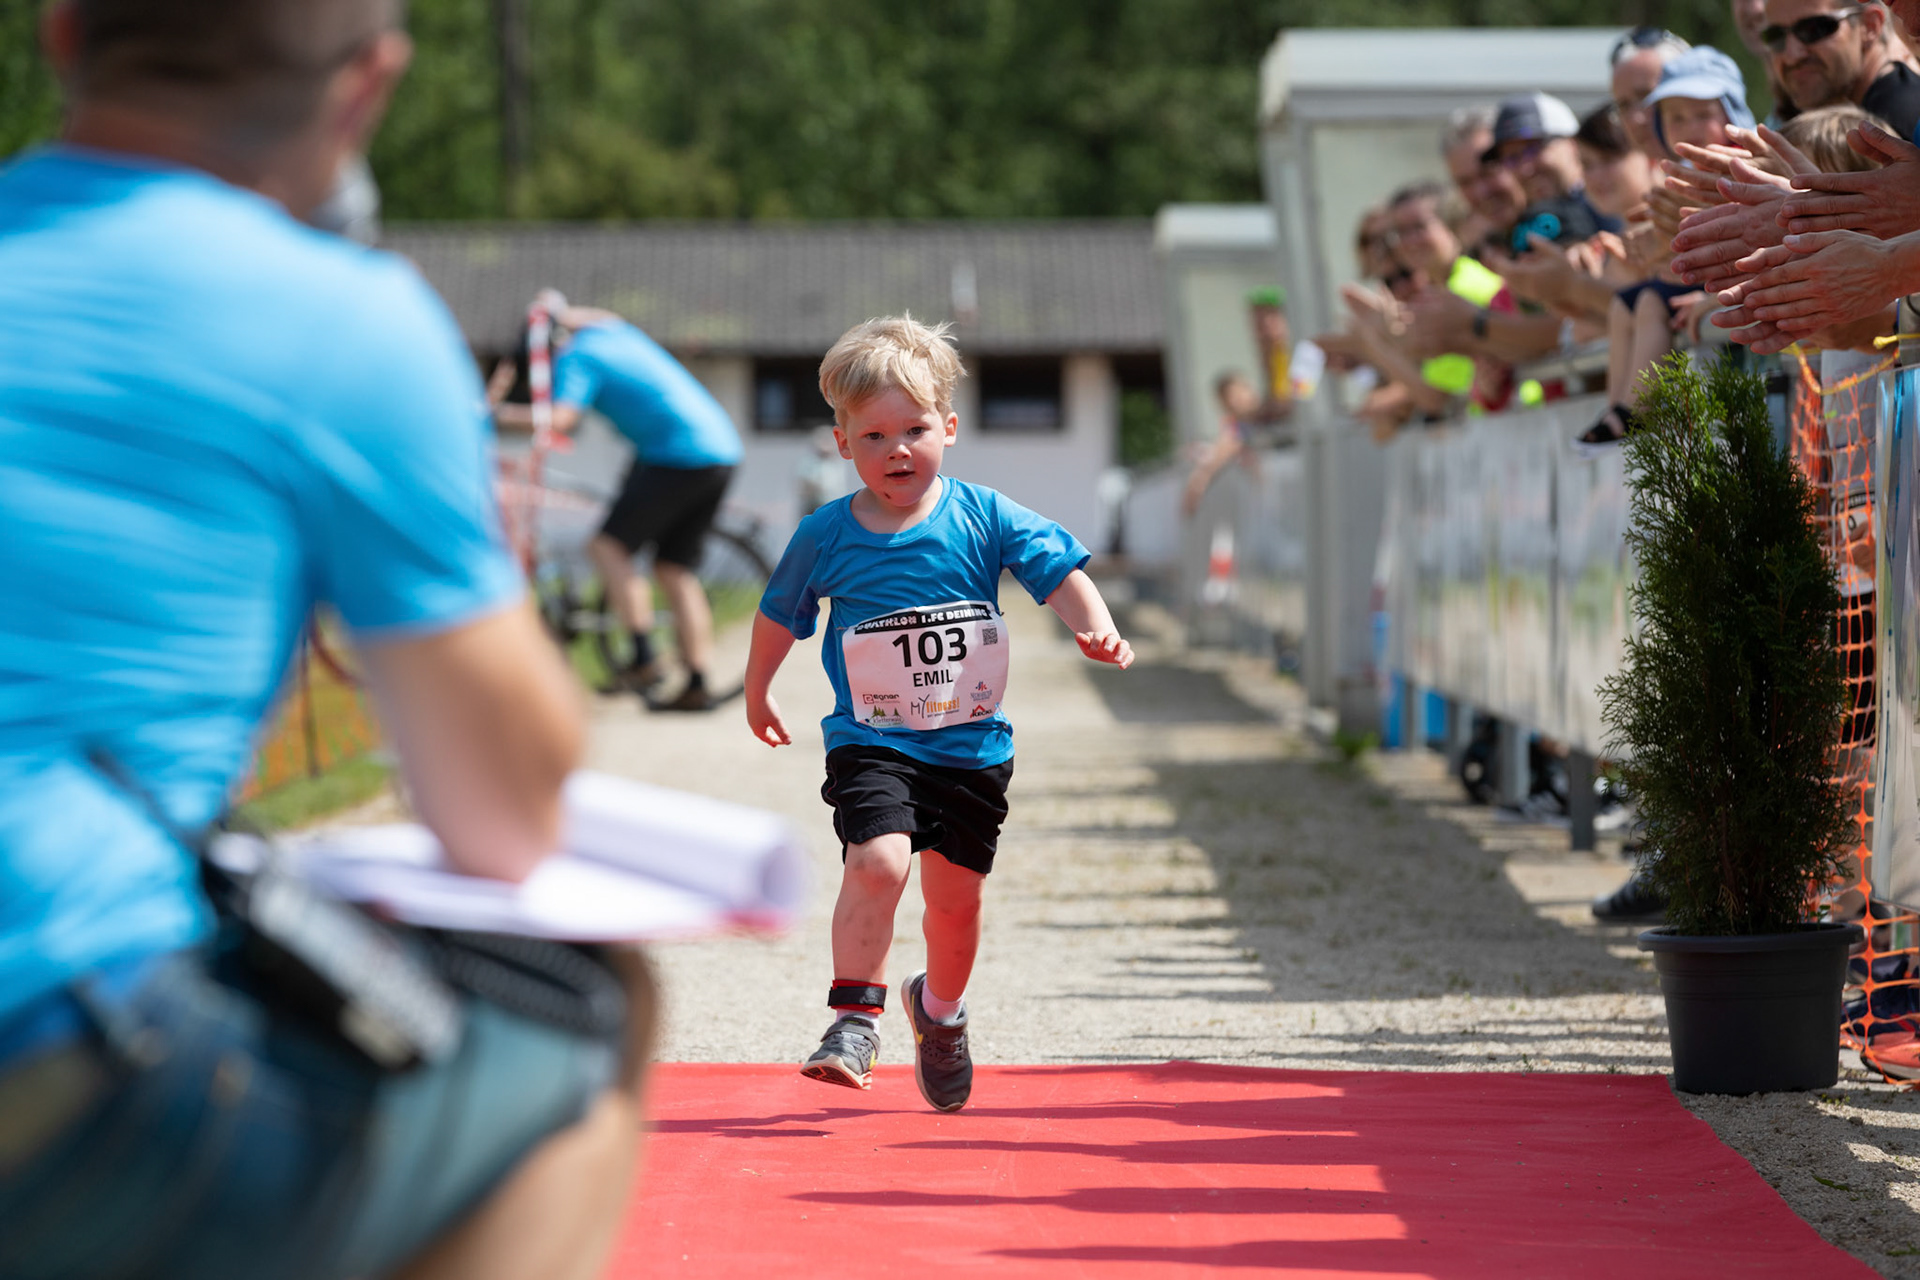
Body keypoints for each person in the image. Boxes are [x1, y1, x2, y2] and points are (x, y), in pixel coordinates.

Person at [0, 3, 656, 1279]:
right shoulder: (340, 320)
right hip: (58, 1031)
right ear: (370, 84)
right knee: (585, 1006)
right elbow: (506, 813)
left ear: (64, 35)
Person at [743, 316, 1133, 1112]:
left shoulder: (983, 515)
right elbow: (780, 613)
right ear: (842, 443)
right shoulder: (825, 534)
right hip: (872, 741)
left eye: (915, 430)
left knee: (955, 906)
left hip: (970, 747)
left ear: (949, 429)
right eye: (874, 435)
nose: (897, 451)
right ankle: (854, 1019)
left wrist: (1093, 623)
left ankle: (942, 1012)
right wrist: (758, 688)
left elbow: (1056, 567)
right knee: (877, 862)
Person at [493, 296, 743, 711]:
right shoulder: (613, 333)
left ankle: (645, 658)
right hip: (720, 451)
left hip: (676, 456)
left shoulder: (578, 356)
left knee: (607, 547)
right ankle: (697, 682)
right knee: (674, 569)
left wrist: (492, 414)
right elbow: (607, 316)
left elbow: (559, 419)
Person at [1580, 47, 1753, 446]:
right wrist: (1647, 250)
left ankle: (1637, 409)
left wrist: (1660, 249)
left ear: (1732, 112)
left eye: (1702, 114)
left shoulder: (1743, 165)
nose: (1689, 127)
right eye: (1676, 117)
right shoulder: (1678, 174)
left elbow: (1734, 236)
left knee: (1649, 304)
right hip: (1702, 278)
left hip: (1721, 285)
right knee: (1623, 304)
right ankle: (1617, 404)